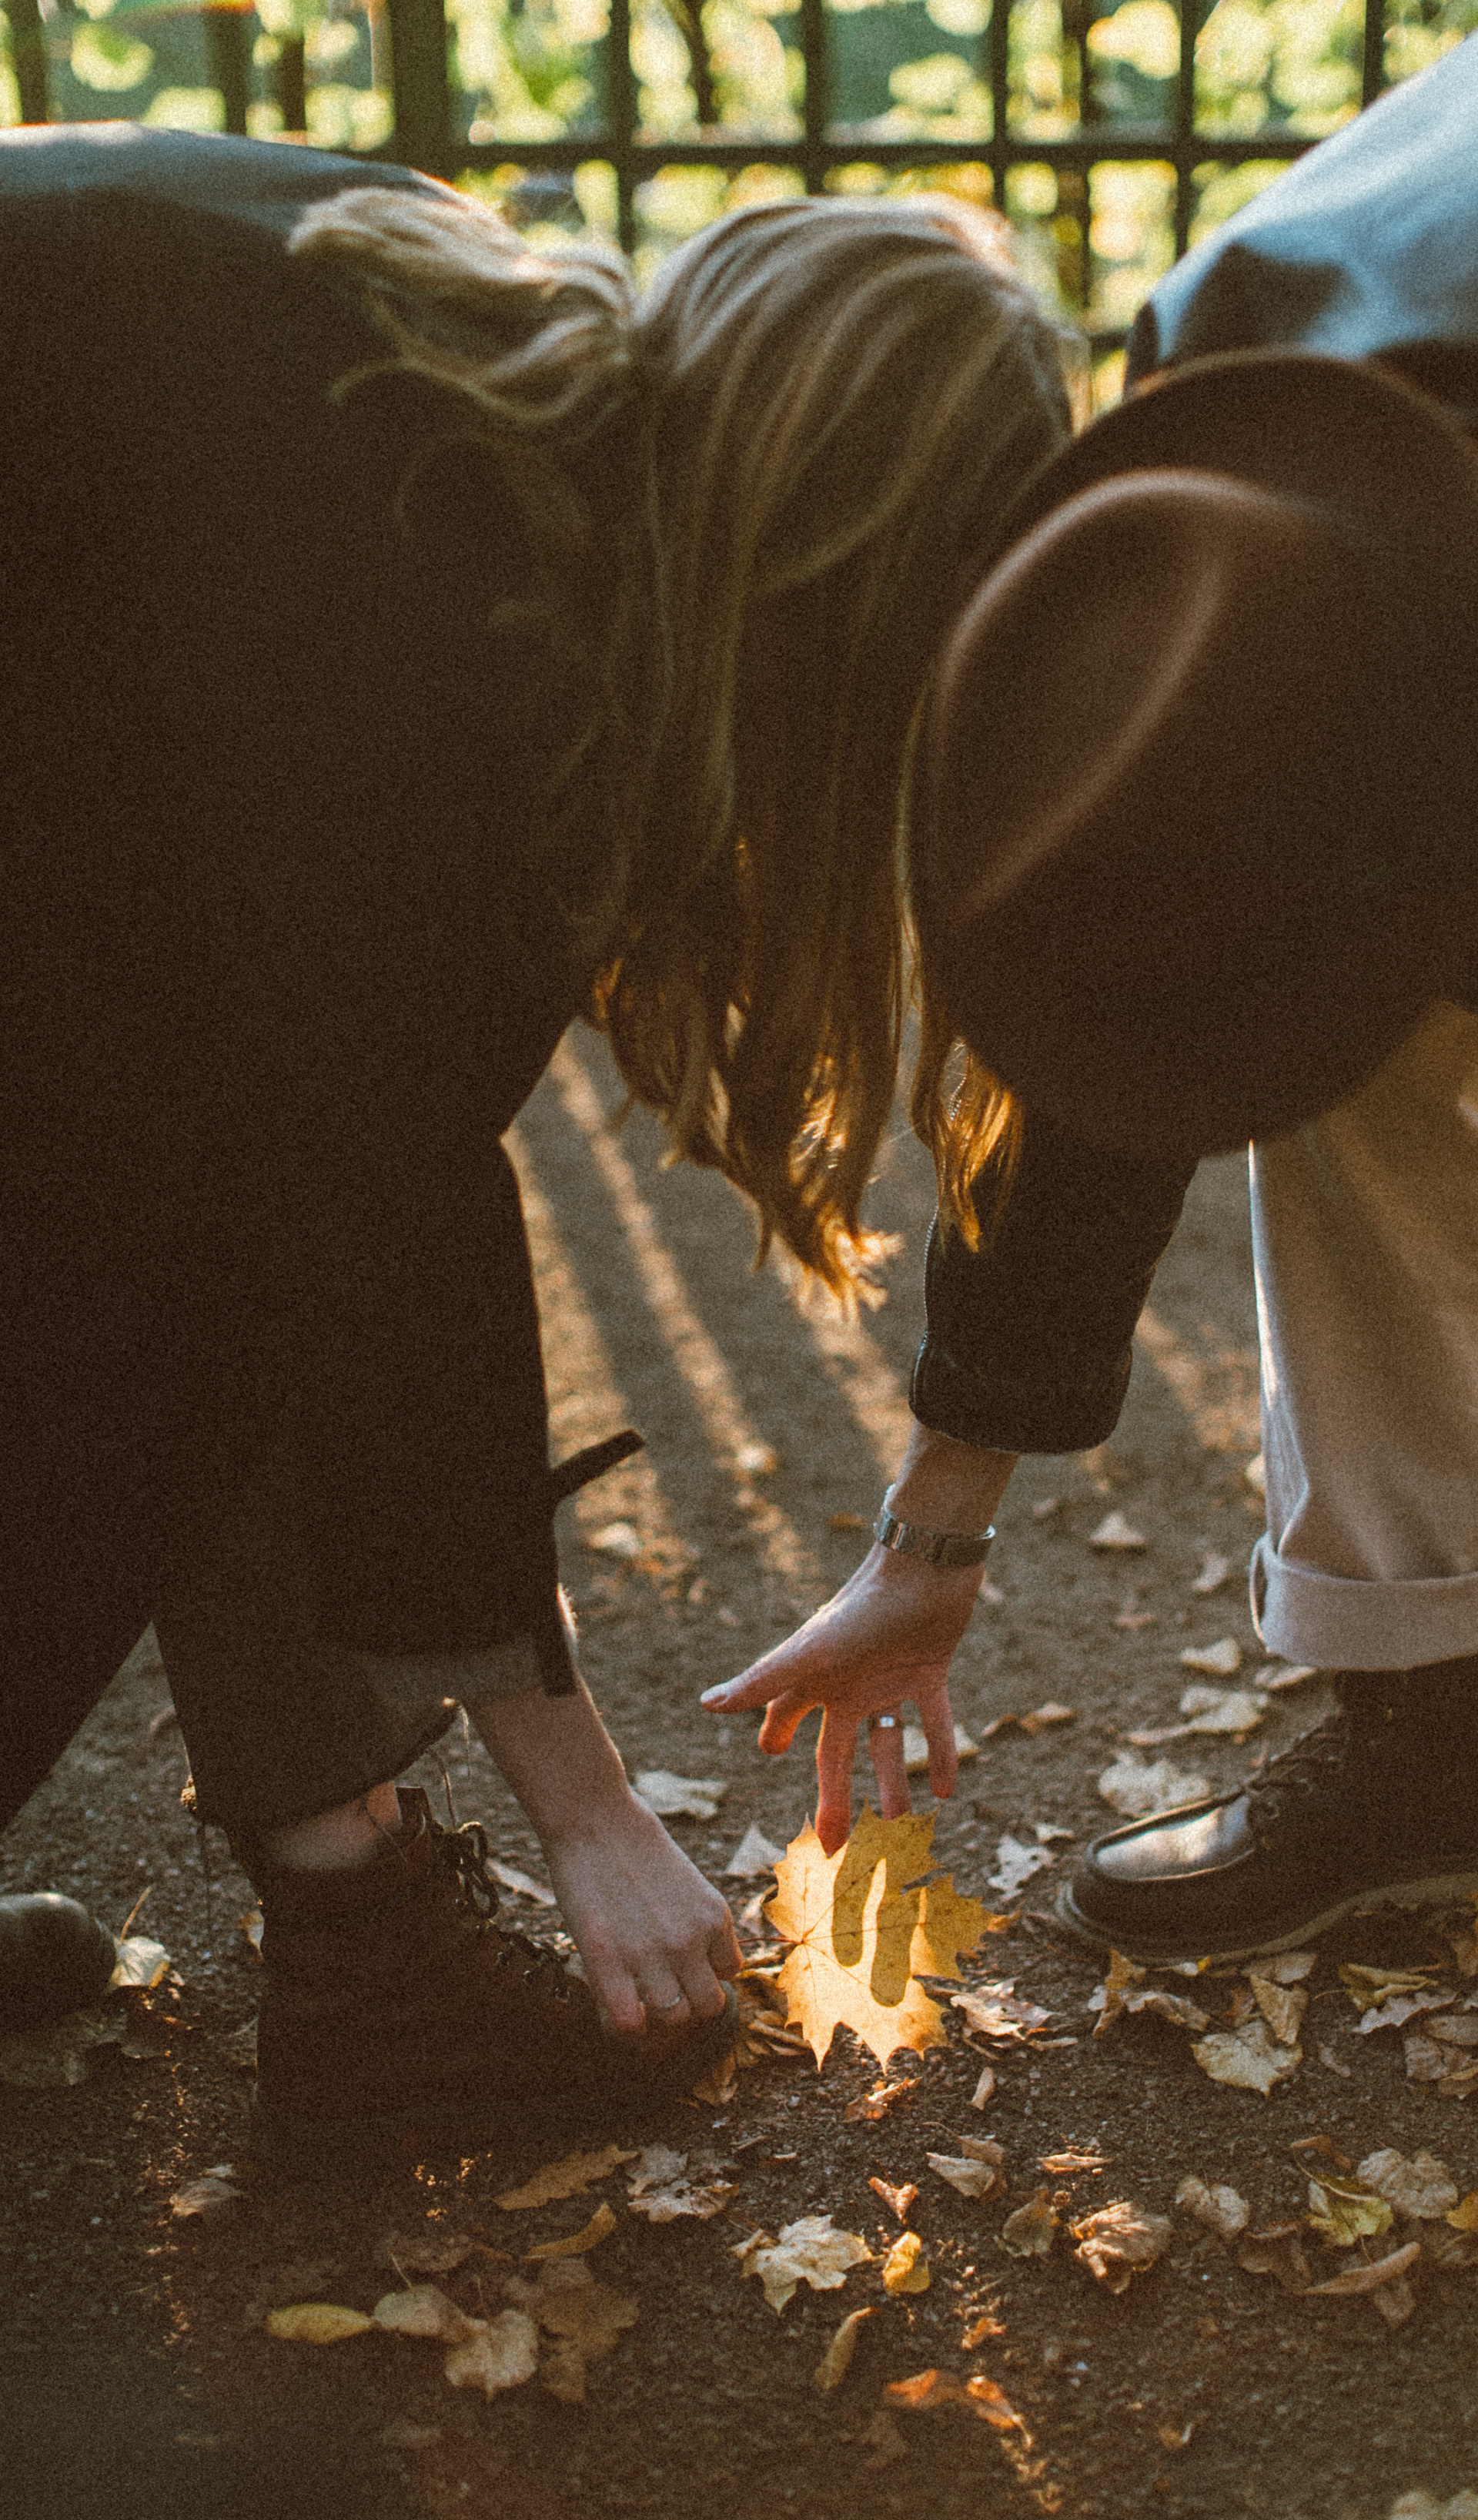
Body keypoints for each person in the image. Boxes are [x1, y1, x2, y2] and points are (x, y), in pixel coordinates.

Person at [0, 123, 1073, 2149]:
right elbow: (366, 1193)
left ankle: (360, 1921)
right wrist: (584, 1809)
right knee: (126, 1280)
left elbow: (301, 1157)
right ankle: (372, 1939)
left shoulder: (470, 413)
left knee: (180, 1215)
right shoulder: (407, 578)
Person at [709, 0, 1478, 1960]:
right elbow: (1136, 995)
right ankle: (1429, 1737)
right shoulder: (1213, 436)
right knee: (1382, 1046)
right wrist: (936, 1531)